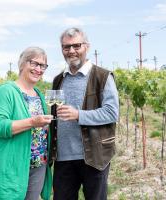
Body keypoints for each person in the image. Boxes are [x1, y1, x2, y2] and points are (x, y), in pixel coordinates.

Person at [50, 27, 119, 200]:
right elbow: (55, 114)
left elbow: (111, 113)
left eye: (76, 46)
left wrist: (78, 115)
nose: (71, 51)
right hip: (63, 157)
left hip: (94, 157)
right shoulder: (58, 79)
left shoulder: (103, 76)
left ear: (86, 47)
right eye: (66, 47)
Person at [0, 46, 53, 200]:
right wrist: (32, 122)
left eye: (43, 65)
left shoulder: (39, 95)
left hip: (38, 164)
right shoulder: (7, 91)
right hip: (13, 164)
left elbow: (40, 130)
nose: (39, 69)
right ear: (22, 64)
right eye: (34, 63)